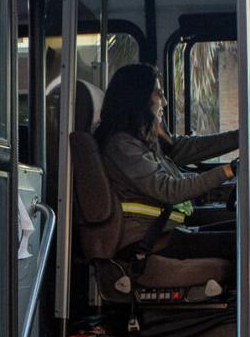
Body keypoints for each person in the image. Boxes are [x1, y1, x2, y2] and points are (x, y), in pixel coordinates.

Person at [94, 63, 242, 265]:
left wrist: (239, 138)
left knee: (245, 229)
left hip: (162, 229)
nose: (163, 101)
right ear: (138, 100)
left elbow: (186, 148)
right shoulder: (122, 145)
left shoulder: (141, 139)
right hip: (147, 241)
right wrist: (228, 170)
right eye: (158, 94)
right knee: (243, 242)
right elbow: (170, 191)